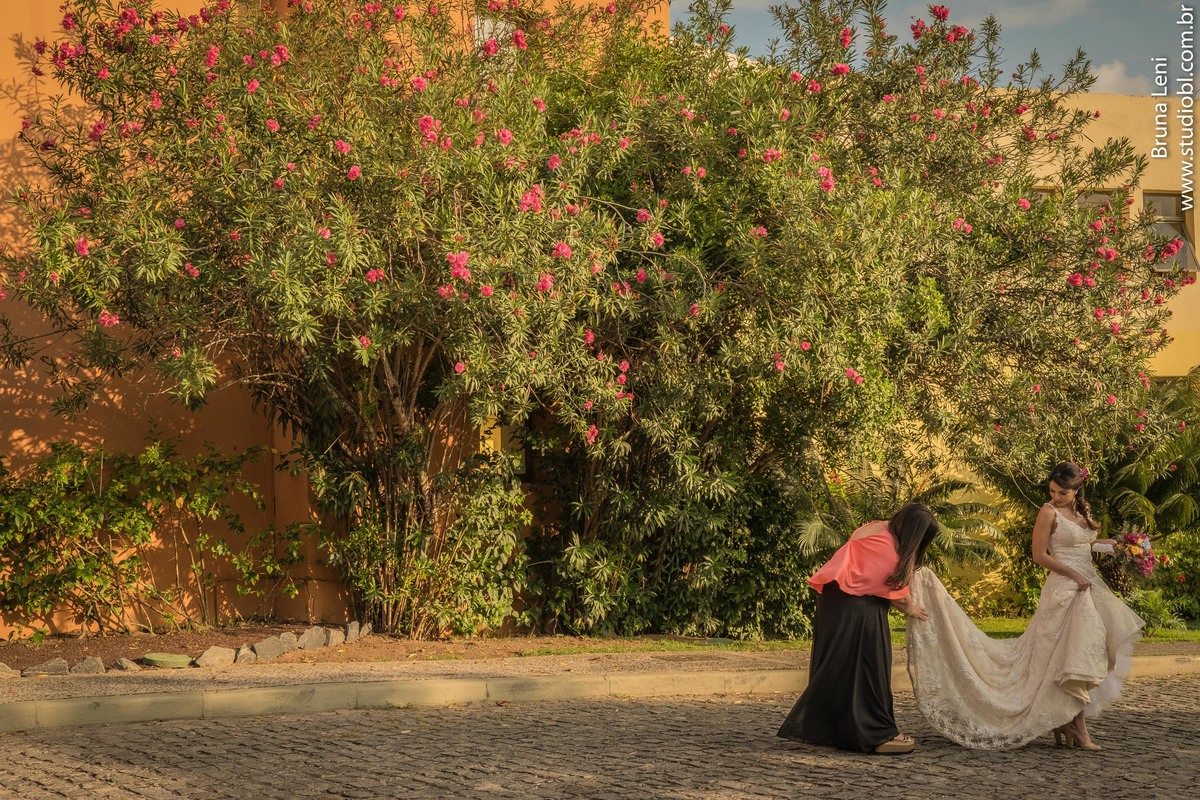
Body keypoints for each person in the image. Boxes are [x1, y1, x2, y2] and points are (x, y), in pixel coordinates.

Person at [906, 462, 1145, 750]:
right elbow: (1039, 555)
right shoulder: (1048, 512)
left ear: (1077, 489)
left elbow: (1086, 544)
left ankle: (1069, 722)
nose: (1056, 496)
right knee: (1063, 659)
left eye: (1062, 492)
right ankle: (1076, 728)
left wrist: (1123, 546)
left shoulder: (1084, 510)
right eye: (1052, 491)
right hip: (1065, 590)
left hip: (1088, 586)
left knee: (1081, 655)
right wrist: (1073, 574)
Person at [776, 503, 939, 754]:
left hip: (832, 601)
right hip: (860, 610)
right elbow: (899, 597)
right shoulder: (894, 555)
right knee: (869, 669)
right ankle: (876, 734)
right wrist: (913, 609)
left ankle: (835, 730)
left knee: (839, 666)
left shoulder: (875, 527)